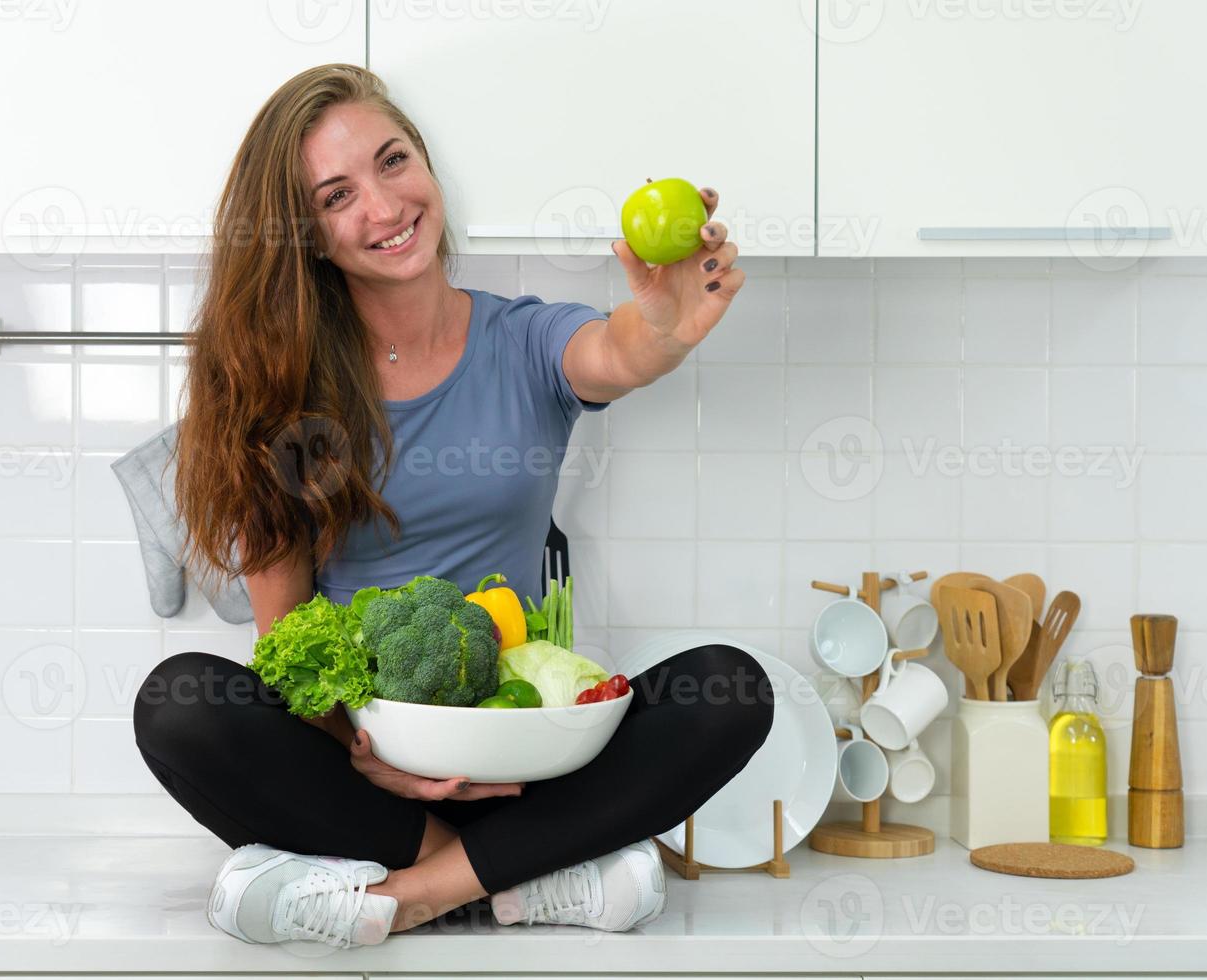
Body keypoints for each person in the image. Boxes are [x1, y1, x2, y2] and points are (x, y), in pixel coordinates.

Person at [132, 63, 774, 951]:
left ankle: (411, 894)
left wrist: (661, 328)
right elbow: (285, 644)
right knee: (180, 705)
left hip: (530, 746)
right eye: (336, 195)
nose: (383, 207)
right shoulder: (284, 392)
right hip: (368, 765)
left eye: (394, 162)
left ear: (427, 165)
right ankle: (534, 874)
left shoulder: (521, 339)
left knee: (730, 688)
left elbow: (610, 354)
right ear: (308, 235)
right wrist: (368, 753)